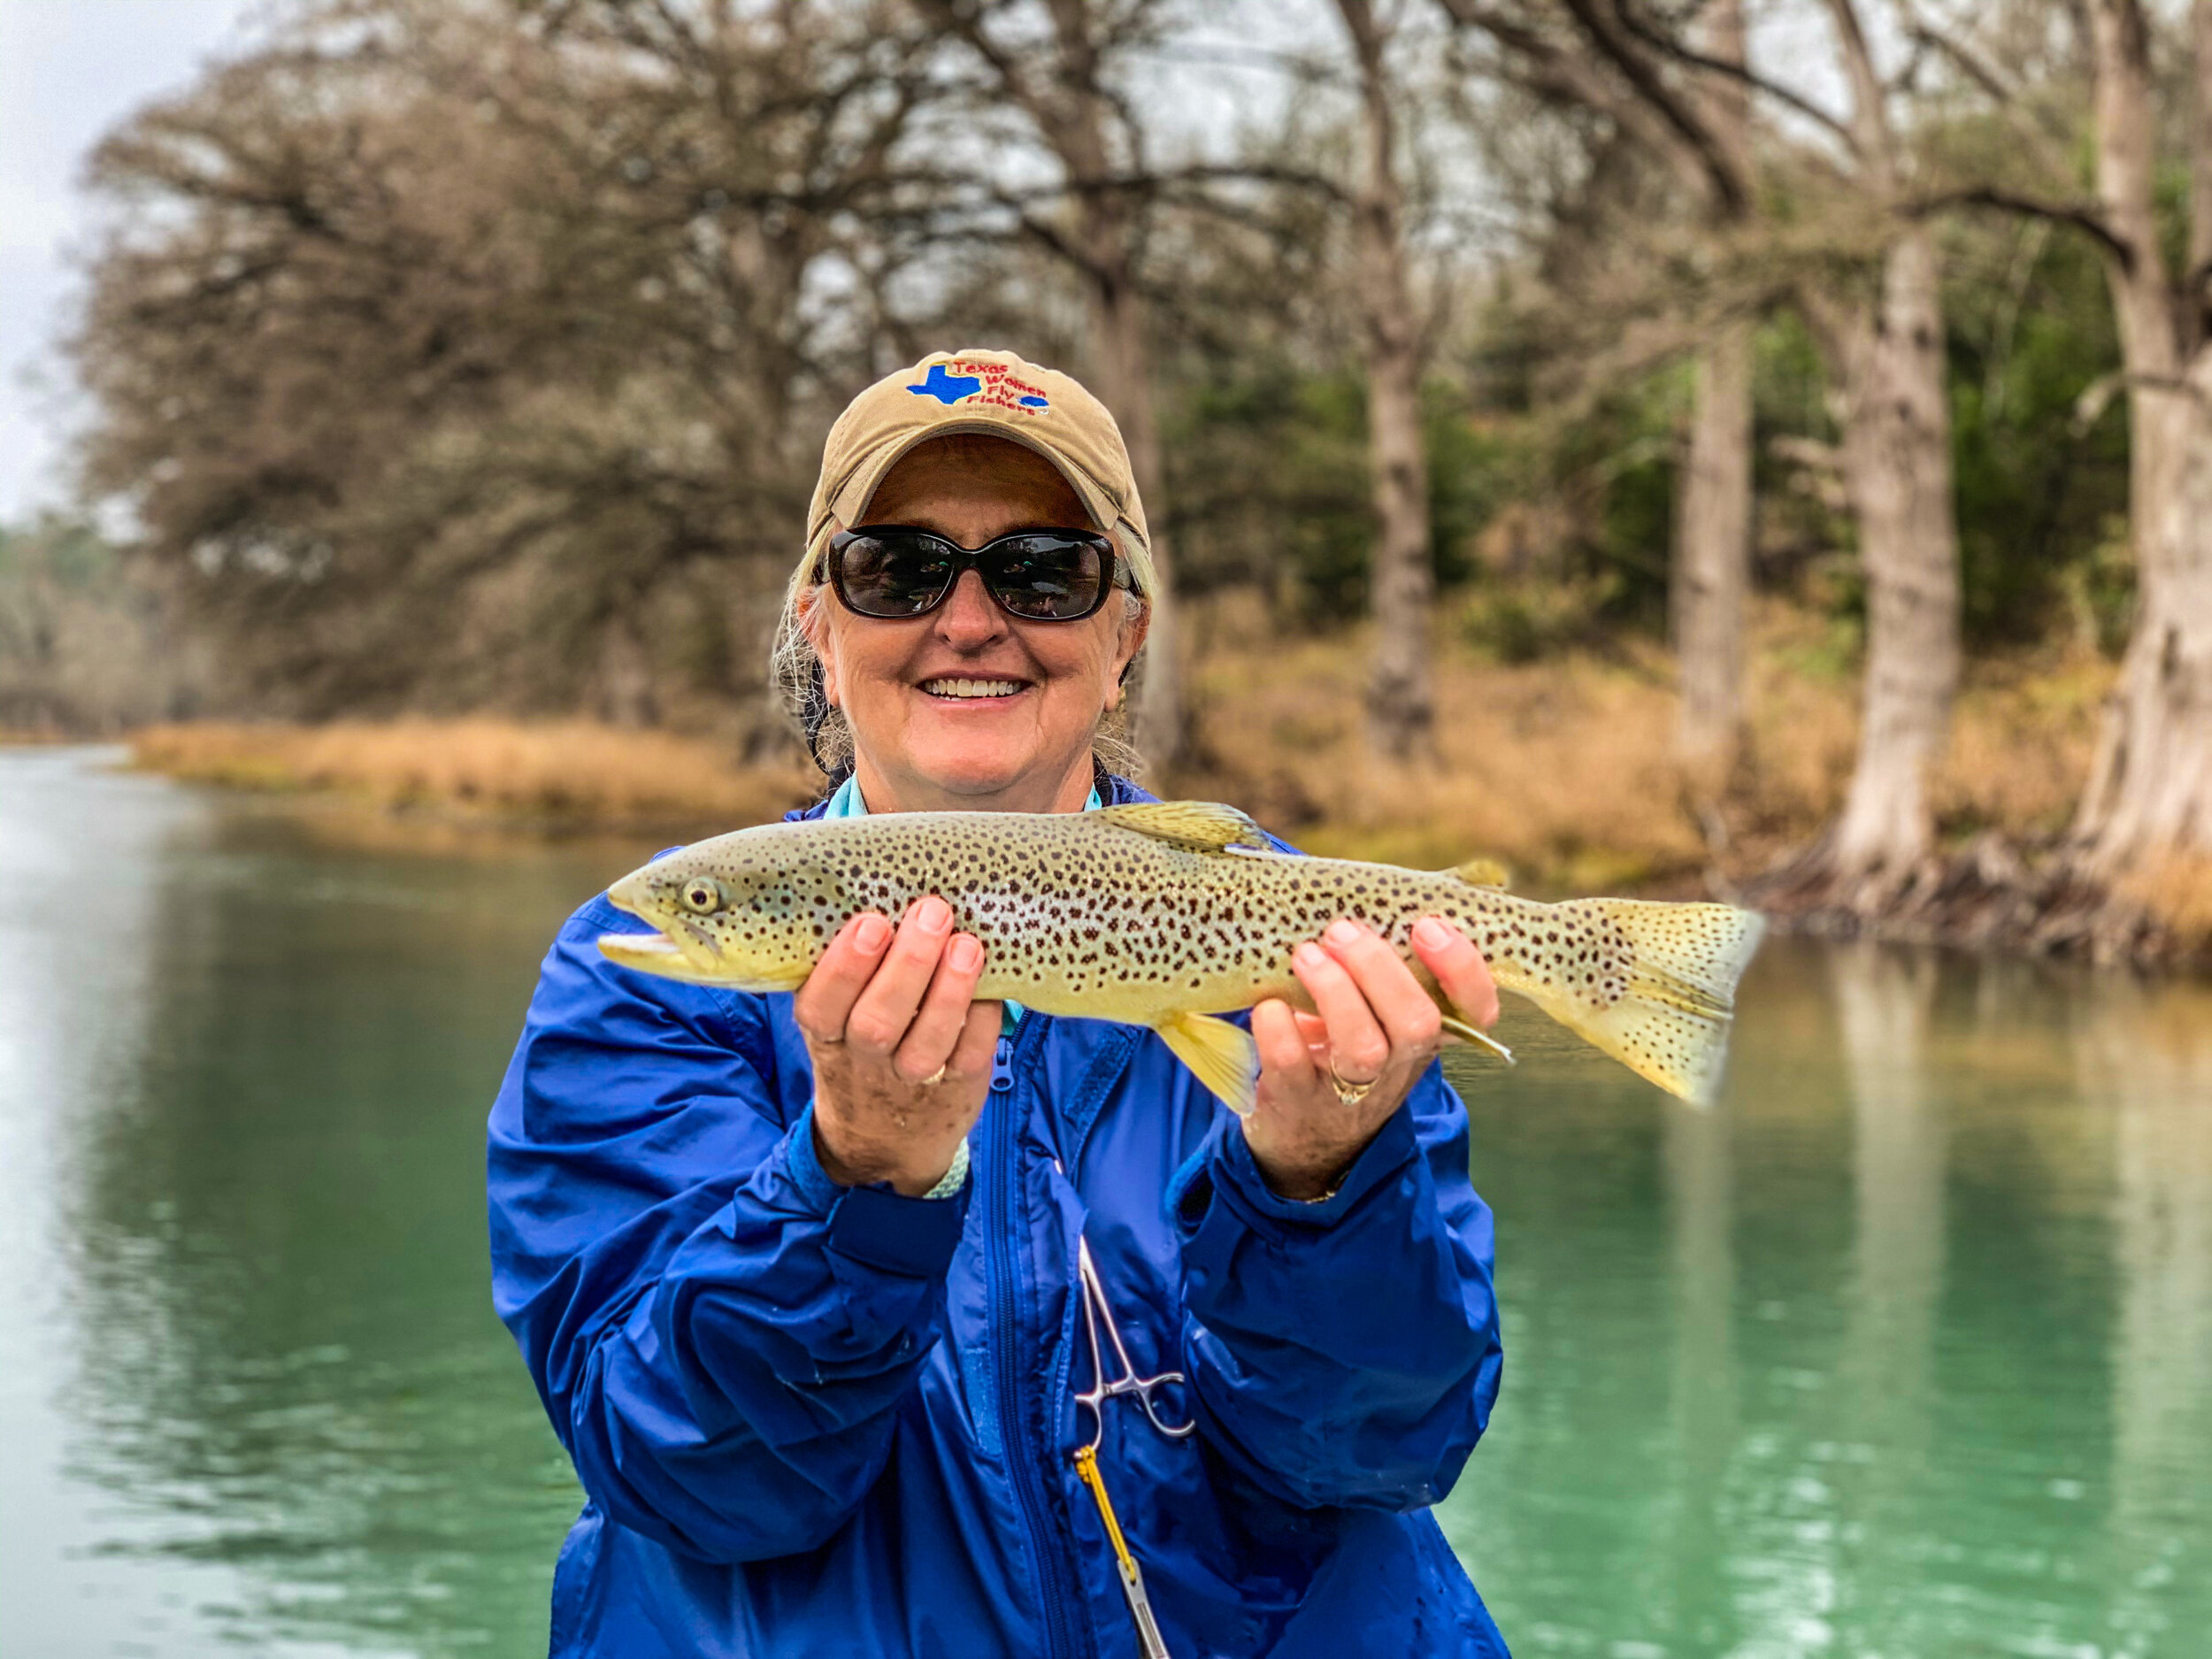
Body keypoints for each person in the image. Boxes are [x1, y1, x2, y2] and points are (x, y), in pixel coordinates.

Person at [488, 348, 1511, 1657]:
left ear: (1124, 631)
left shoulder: (1300, 948)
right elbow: (692, 1479)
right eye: (899, 569)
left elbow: (1383, 1451)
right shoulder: (630, 983)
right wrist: (854, 1185)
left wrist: (1320, 1189)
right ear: (820, 622)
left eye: (1042, 571)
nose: (969, 621)